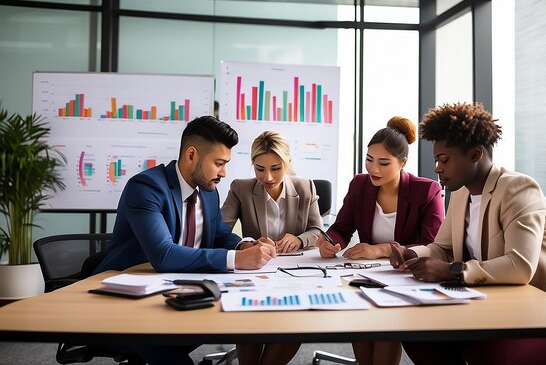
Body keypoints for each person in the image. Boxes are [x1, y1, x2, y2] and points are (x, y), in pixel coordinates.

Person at [391, 102, 546, 365]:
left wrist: (451, 271)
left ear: (475, 154)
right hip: (495, 310)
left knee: (490, 355)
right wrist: (411, 253)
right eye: (437, 160)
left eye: (444, 160)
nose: (437, 168)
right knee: (419, 336)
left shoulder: (518, 189)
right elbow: (442, 248)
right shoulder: (460, 195)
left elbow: (520, 265)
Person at [93, 115, 276, 365]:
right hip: (127, 306)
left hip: (176, 295)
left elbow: (219, 234)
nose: (224, 172)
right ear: (192, 155)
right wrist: (238, 259)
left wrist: (244, 245)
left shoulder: (208, 192)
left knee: (244, 321)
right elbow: (164, 255)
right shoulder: (146, 188)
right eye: (219, 163)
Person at [317, 116, 445, 365]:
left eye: (383, 163)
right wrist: (331, 242)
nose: (373, 169)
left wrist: (381, 250)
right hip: (367, 275)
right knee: (361, 318)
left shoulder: (426, 191)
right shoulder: (359, 184)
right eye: (369, 160)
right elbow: (341, 227)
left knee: (387, 323)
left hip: (407, 277)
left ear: (403, 163)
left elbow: (431, 245)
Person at [221, 130, 323, 365]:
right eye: (259, 168)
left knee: (293, 324)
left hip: (295, 272)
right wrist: (246, 243)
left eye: (276, 168)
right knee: (250, 320)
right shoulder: (241, 188)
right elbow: (220, 230)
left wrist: (299, 240)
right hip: (257, 271)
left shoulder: (305, 186)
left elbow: (317, 231)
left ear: (288, 163)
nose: (267, 176)